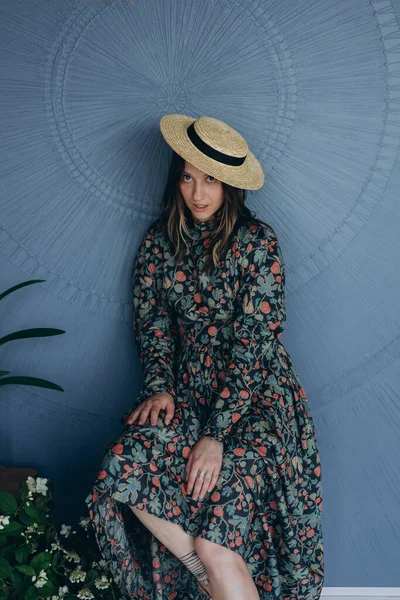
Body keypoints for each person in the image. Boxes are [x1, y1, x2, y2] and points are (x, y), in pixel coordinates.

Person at [85, 114, 325, 600]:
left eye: (211, 179)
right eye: (188, 176)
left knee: (219, 544)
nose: (197, 192)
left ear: (231, 185)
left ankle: (209, 561)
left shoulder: (258, 244)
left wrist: (216, 435)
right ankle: (198, 567)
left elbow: (255, 344)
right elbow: (152, 324)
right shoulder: (159, 242)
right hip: (186, 393)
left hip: (256, 402)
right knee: (122, 465)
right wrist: (159, 386)